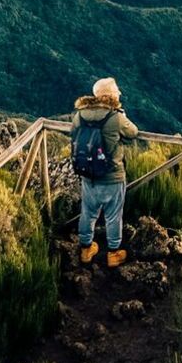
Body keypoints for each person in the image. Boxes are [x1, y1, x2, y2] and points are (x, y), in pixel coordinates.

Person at [72, 76, 140, 266]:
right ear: (109, 95)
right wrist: (122, 117)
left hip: (88, 174)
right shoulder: (115, 117)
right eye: (116, 90)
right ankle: (113, 253)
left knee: (88, 212)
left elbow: (74, 134)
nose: (120, 93)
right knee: (113, 216)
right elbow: (133, 132)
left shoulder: (80, 115)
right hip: (112, 176)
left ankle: (86, 249)